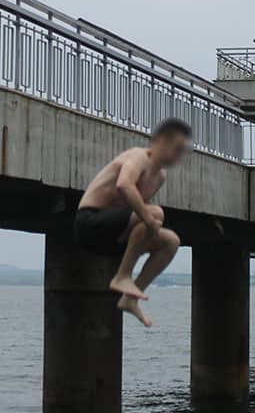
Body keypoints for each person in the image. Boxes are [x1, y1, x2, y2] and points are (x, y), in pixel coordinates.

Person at [74, 119, 191, 327]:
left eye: (183, 151)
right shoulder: (138, 157)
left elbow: (138, 219)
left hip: (114, 237)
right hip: (89, 223)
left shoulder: (160, 176)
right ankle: (122, 275)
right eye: (177, 149)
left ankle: (131, 297)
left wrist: (148, 224)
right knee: (155, 213)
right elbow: (124, 185)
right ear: (161, 141)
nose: (178, 156)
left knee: (172, 241)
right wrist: (150, 219)